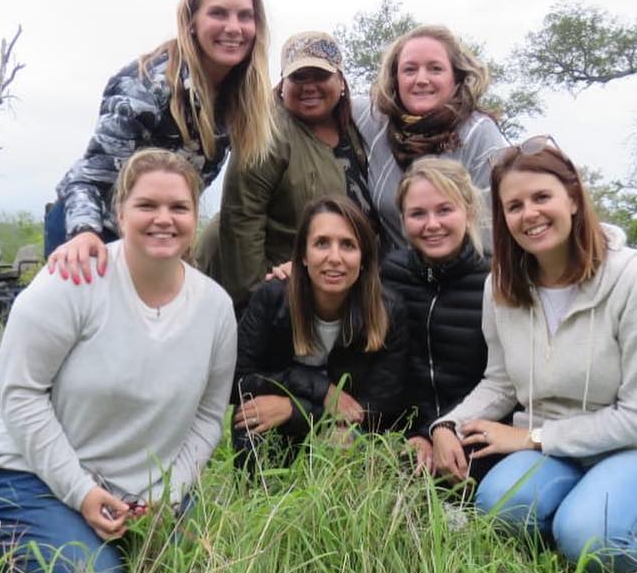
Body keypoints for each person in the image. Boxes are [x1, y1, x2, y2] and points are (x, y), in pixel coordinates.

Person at [0, 149, 237, 573]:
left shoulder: (214, 307)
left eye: (179, 208)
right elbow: (19, 391)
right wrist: (82, 492)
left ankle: (81, 545)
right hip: (27, 473)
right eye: (147, 206)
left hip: (139, 493)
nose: (163, 220)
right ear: (120, 212)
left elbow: (210, 416)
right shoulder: (72, 281)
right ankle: (5, 555)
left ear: (196, 215)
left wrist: (167, 494)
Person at [431, 137, 637, 573]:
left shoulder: (633, 280)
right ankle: (565, 552)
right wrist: (447, 424)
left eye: (541, 197)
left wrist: (531, 439)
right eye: (514, 205)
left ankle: (629, 555)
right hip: (558, 455)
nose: (529, 214)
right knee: (500, 508)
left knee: (587, 531)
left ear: (572, 196)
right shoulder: (502, 287)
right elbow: (501, 380)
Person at [45, 0, 275, 282]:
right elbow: (86, 179)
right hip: (91, 234)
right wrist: (84, 233)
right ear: (191, 21)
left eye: (245, 15)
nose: (234, 28)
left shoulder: (237, 99)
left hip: (155, 239)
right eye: (218, 13)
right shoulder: (146, 87)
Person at [204, 31, 375, 310]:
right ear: (283, 83)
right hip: (285, 293)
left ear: (341, 82)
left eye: (319, 76)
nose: (309, 87)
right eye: (298, 77)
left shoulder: (358, 126)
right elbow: (242, 220)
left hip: (343, 288)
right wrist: (259, 299)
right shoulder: (267, 133)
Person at [232, 195, 407, 466]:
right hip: (278, 420)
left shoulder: (388, 310)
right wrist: (320, 390)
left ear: (364, 259)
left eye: (348, 245)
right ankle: (256, 499)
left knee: (340, 444)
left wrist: (298, 411)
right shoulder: (272, 298)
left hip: (345, 429)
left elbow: (380, 407)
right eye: (321, 243)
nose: (334, 258)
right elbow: (240, 382)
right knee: (251, 418)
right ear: (303, 254)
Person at [353, 24, 509, 254]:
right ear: (395, 78)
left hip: (467, 278)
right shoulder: (376, 120)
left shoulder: (479, 134)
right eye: (409, 70)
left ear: (456, 78)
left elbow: (495, 233)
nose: (421, 79)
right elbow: (326, 96)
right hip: (395, 279)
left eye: (435, 69)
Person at [379, 157, 491, 477]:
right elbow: (387, 368)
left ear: (468, 211)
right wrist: (418, 432)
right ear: (403, 219)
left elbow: (502, 383)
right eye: (418, 214)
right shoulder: (390, 275)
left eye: (444, 210)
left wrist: (444, 430)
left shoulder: (493, 285)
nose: (432, 224)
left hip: (472, 430)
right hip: (406, 432)